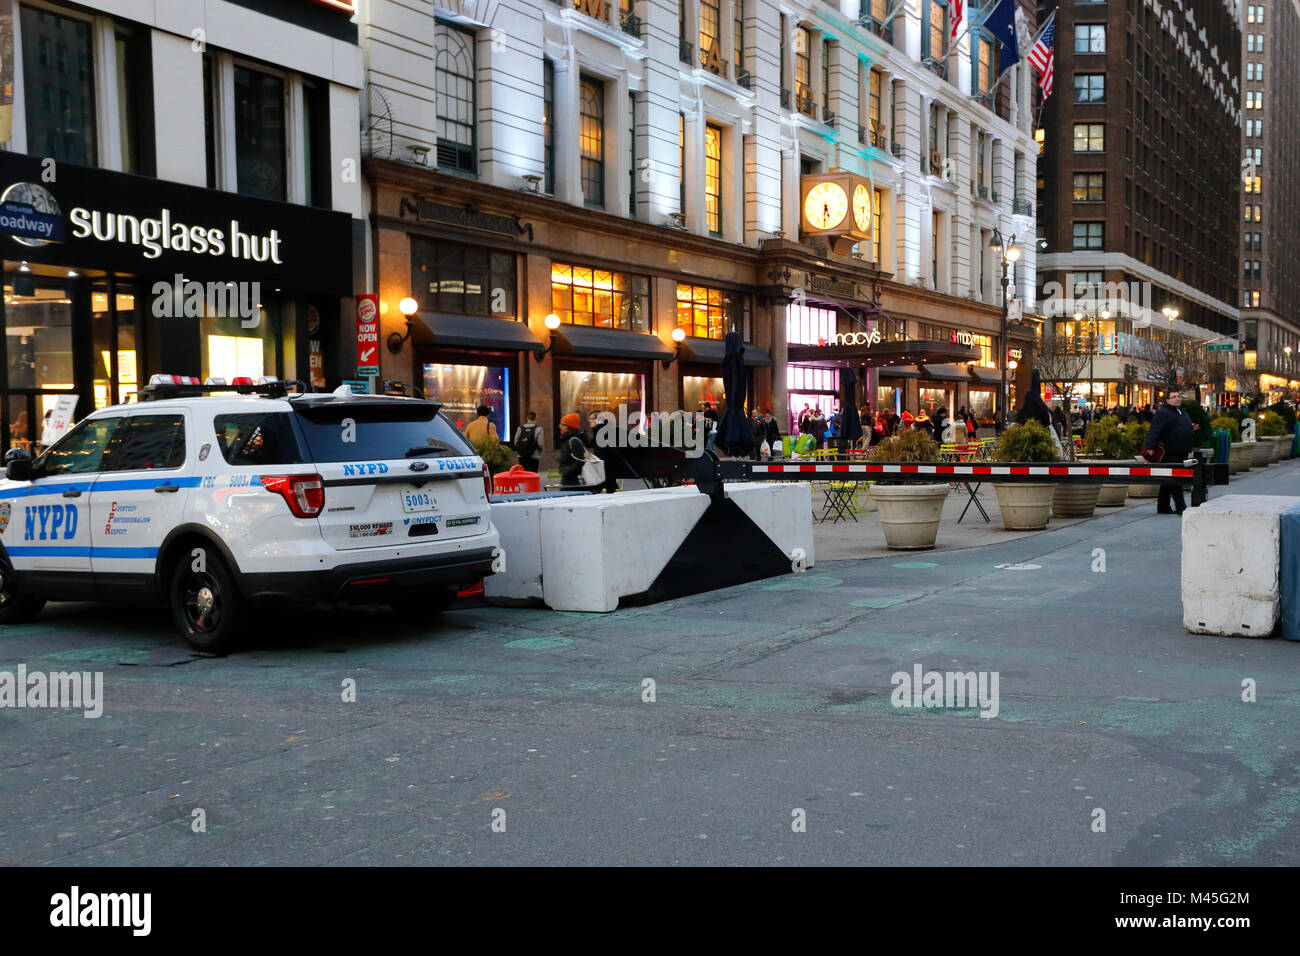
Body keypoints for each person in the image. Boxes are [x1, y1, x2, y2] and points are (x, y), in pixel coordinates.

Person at [1145, 389, 1197, 515]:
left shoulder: (1182, 412)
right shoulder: (1163, 412)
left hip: (1181, 450)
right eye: (1174, 397)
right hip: (1169, 451)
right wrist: (1150, 447)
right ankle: (1181, 507)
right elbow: (1155, 430)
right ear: (1167, 400)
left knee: (1168, 479)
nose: (1177, 399)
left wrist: (1193, 429)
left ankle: (1163, 507)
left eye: (1178, 396)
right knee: (1175, 479)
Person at [557, 413, 589, 488]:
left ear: (569, 427)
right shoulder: (566, 439)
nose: (560, 426)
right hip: (568, 478)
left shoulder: (573, 441)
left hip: (574, 480)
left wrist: (566, 472)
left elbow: (580, 462)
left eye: (563, 424)